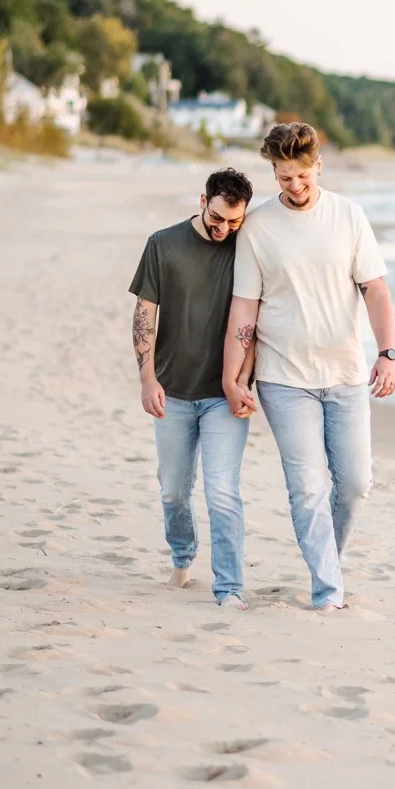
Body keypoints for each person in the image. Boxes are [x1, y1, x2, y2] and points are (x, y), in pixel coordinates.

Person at [223, 122, 395, 612]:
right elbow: (244, 309)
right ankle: (327, 590)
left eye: (301, 176)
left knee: (356, 484)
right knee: (307, 486)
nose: (294, 187)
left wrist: (388, 353)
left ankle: (328, 565)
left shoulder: (349, 216)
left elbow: (376, 291)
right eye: (283, 178)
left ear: (318, 165)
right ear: (273, 173)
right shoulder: (257, 228)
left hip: (344, 375)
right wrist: (232, 376)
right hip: (284, 378)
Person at [129, 167, 256, 611]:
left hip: (224, 396)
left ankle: (230, 587)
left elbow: (255, 323)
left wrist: (243, 380)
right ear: (203, 202)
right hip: (174, 391)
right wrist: (147, 380)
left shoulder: (245, 248)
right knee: (174, 489)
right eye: (219, 218)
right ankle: (182, 556)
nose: (225, 229)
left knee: (222, 490)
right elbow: (145, 315)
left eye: (235, 221)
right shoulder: (162, 245)